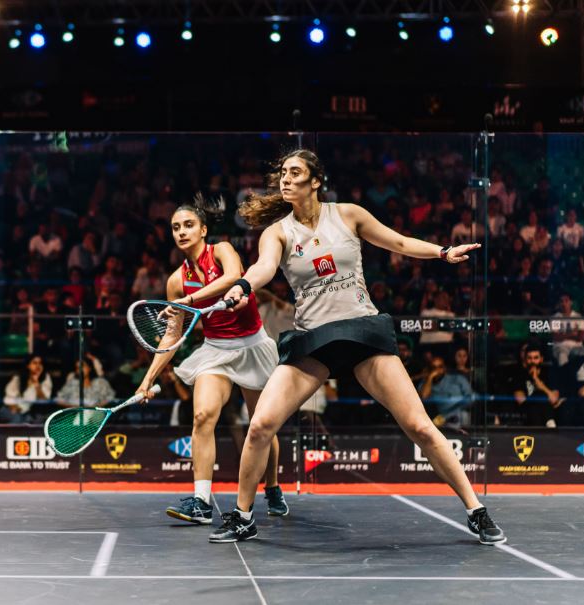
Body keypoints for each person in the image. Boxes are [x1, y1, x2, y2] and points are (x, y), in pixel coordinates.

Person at [210, 149, 504, 545]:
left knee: (419, 425)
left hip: (363, 333)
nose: (285, 179)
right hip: (313, 341)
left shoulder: (348, 215)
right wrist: (243, 286)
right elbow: (263, 268)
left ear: (316, 181)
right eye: (283, 173)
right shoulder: (277, 233)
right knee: (260, 425)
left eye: (295, 172)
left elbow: (398, 241)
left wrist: (441, 252)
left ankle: (476, 510)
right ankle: (244, 516)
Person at [134, 194, 288, 526]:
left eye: (188, 225)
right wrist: (148, 379)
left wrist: (188, 301)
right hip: (215, 350)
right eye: (176, 227)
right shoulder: (176, 281)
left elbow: (233, 278)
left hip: (252, 346)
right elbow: (172, 337)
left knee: (262, 425)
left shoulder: (222, 251)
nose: (181, 232)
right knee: (202, 416)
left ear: (203, 229)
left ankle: (273, 485)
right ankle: (201, 502)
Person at [1, 355, 53, 423]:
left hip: (27, 413)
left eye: (40, 363)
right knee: (17, 418)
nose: (38, 366)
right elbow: (8, 398)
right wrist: (15, 407)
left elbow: (44, 401)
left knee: (30, 420)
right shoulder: (18, 378)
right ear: (28, 365)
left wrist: (36, 383)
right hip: (10, 409)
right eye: (34, 363)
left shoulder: (45, 379)